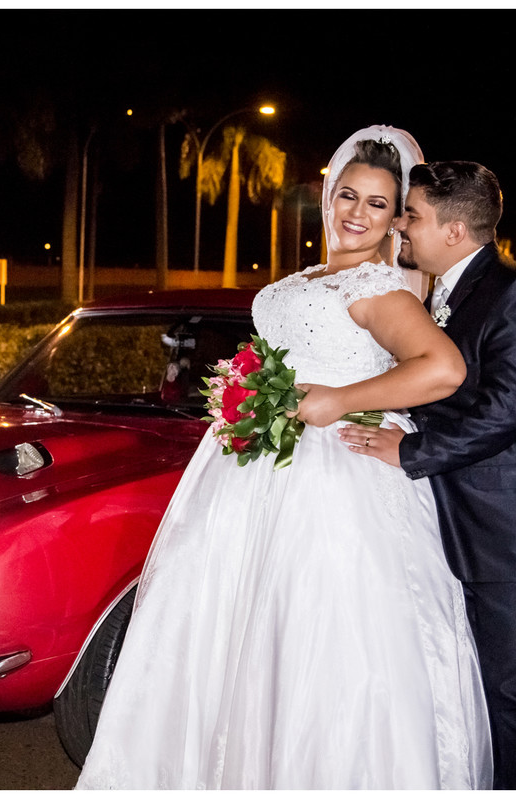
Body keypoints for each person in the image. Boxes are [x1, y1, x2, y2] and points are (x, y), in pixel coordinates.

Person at [74, 126, 493, 790]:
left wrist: (338, 400)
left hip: (333, 483)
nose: (357, 213)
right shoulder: (310, 277)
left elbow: (442, 368)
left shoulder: (378, 287)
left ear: (396, 220)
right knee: (227, 631)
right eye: (348, 195)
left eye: (378, 204)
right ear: (328, 196)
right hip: (253, 471)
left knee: (318, 641)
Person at [336, 161, 516, 789]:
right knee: (489, 696)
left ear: (454, 231)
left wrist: (411, 451)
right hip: (464, 524)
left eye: (412, 215)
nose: (400, 225)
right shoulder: (439, 293)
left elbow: (507, 410)